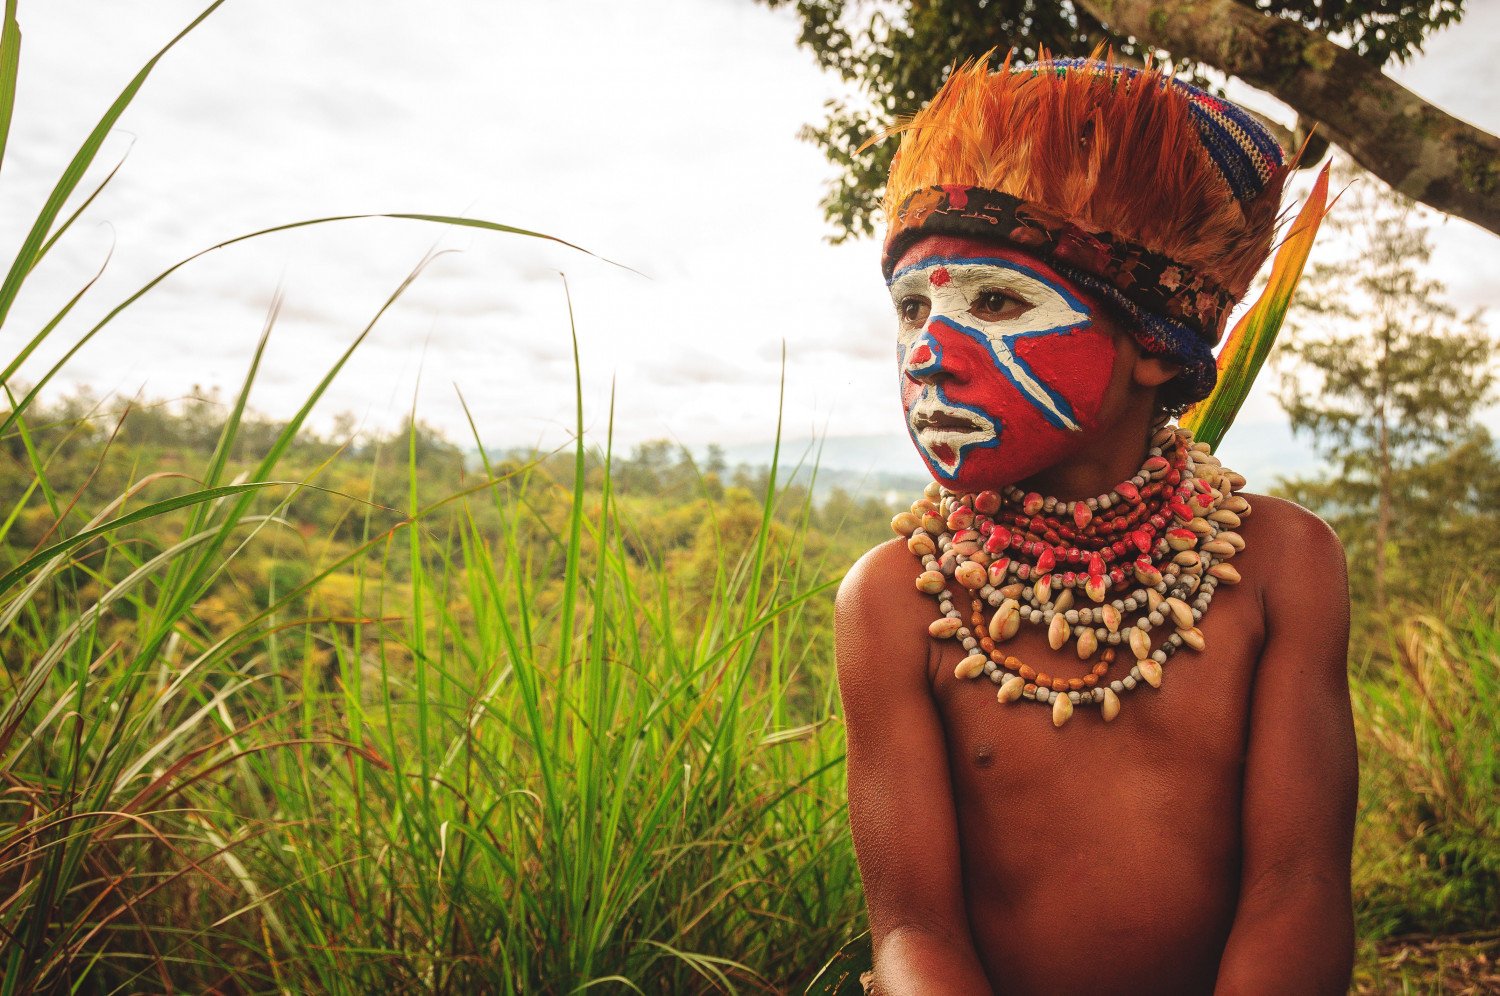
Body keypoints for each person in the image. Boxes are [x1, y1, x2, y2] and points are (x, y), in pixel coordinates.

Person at [836, 53, 1357, 995]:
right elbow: (913, 930)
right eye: (912, 309)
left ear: (1155, 344)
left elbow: (1300, 886)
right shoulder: (895, 601)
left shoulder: (1282, 564)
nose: (929, 355)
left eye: (994, 301)